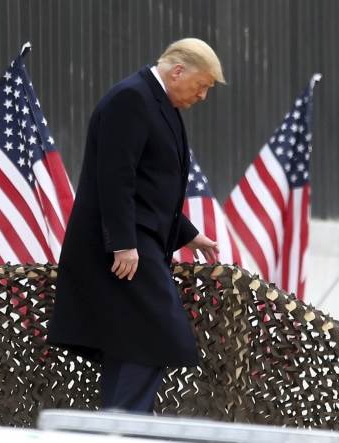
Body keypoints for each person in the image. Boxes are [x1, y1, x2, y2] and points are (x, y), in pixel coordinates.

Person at [48, 38, 225, 413]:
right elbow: (115, 177)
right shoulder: (131, 99)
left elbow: (152, 187)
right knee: (155, 333)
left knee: (132, 343)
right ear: (178, 71)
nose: (203, 95)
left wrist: (189, 234)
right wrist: (122, 243)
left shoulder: (162, 104)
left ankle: (119, 425)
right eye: (203, 84)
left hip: (140, 242)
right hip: (122, 249)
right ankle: (124, 427)